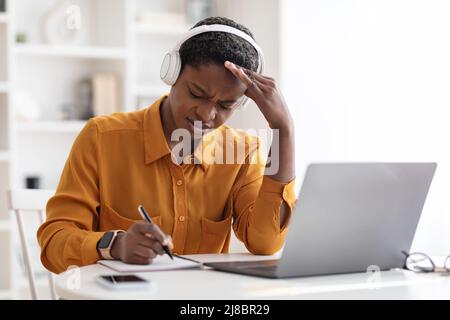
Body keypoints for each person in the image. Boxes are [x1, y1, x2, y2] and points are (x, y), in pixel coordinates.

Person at [37, 16, 296, 274]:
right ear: (171, 72)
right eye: (196, 94)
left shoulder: (241, 152)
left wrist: (283, 130)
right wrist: (115, 244)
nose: (207, 115)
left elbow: (266, 242)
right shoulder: (101, 137)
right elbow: (54, 244)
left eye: (225, 105)